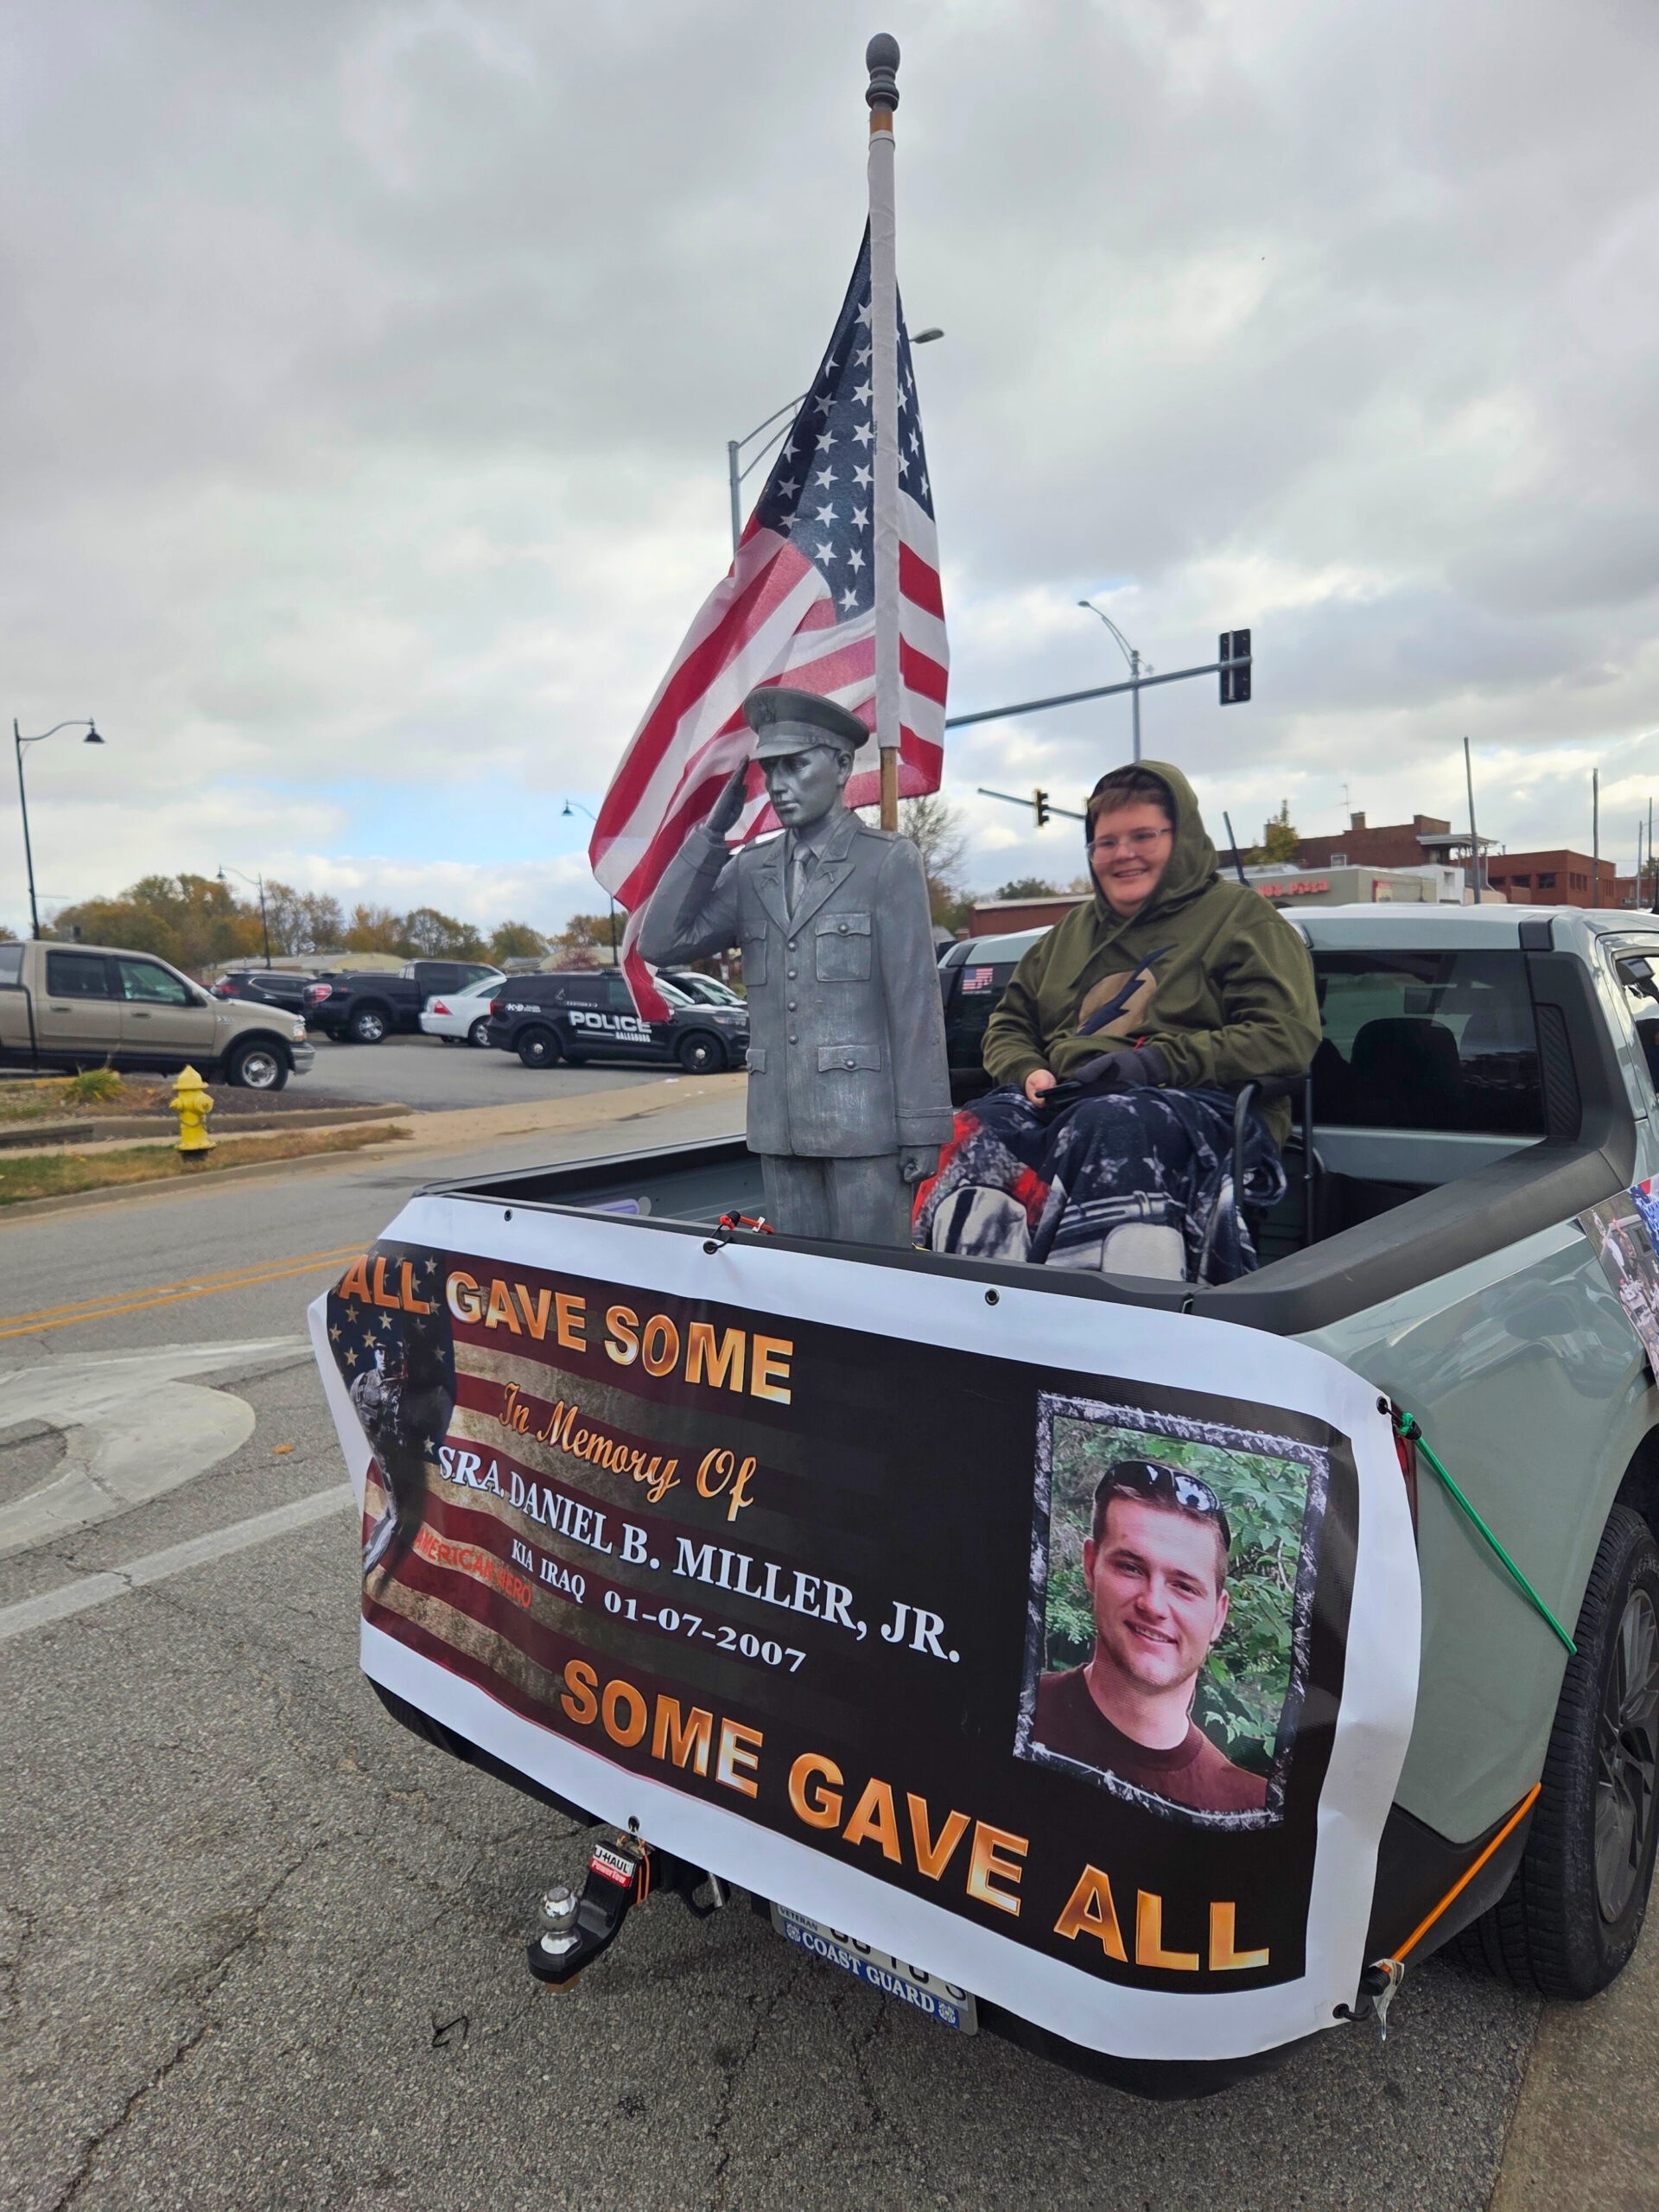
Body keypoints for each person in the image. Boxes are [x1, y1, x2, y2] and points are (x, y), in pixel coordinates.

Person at [915, 760, 1320, 1280]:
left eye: (1143, 836)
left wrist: (1150, 1064)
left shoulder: (1242, 920)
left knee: (1108, 1122)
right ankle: (958, 1291)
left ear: (1183, 838)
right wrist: (1027, 1071)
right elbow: (1008, 1024)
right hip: (1068, 1101)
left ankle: (1106, 1308)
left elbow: (1284, 1037)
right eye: (1106, 842)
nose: (1123, 854)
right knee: (965, 1128)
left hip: (1203, 1107)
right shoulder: (1065, 936)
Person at [638, 686, 953, 1246]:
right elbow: (662, 941)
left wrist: (923, 1128)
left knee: (869, 1295)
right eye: (769, 770)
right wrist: (712, 835)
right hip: (780, 1125)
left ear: (839, 765)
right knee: (798, 1294)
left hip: (867, 1130)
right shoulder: (750, 869)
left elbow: (914, 1003)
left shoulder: (885, 862)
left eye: (794, 766)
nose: (778, 785)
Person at [1031, 1459, 1268, 1814]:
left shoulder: (1247, 1810)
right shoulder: (1012, 1710)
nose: (1153, 1605)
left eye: (1184, 1586)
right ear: (1090, 1566)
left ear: (1219, 1615)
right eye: (1130, 1567)